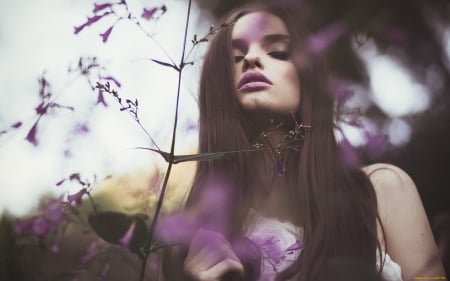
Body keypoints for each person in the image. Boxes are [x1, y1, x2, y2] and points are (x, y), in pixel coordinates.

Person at [160, 3, 446, 281]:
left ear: (309, 77)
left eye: (277, 51)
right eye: (234, 58)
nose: (251, 59)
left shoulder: (384, 192)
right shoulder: (191, 246)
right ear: (218, 85)